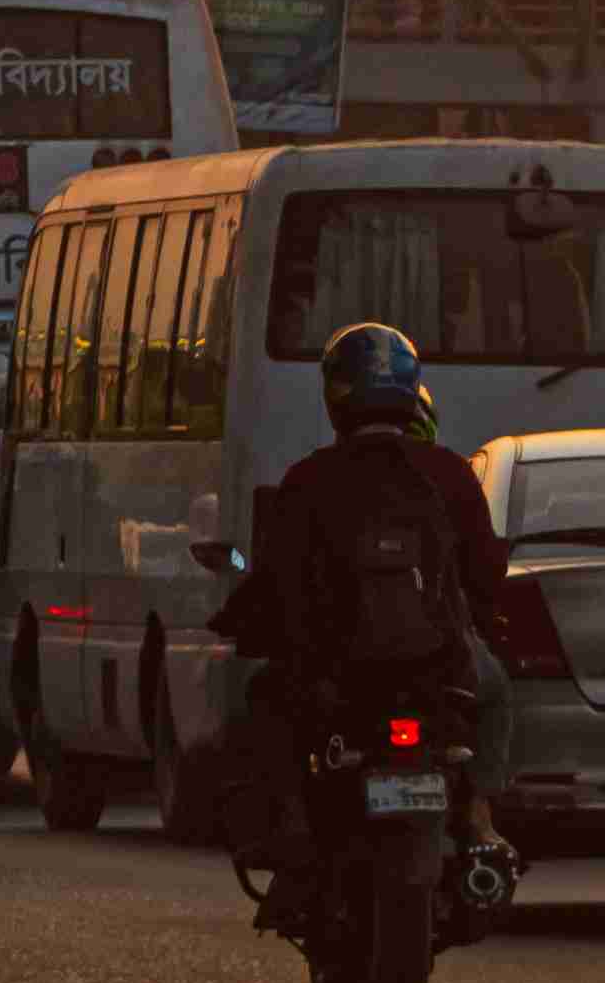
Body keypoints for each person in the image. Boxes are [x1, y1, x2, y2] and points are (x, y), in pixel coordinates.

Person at [215, 324, 512, 853]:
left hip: (337, 668)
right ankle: (480, 813)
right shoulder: (449, 473)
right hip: (439, 664)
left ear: (335, 395)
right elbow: (488, 570)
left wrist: (250, 624)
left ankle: (289, 822)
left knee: (262, 698)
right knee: (496, 695)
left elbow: (276, 576)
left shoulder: (311, 478)